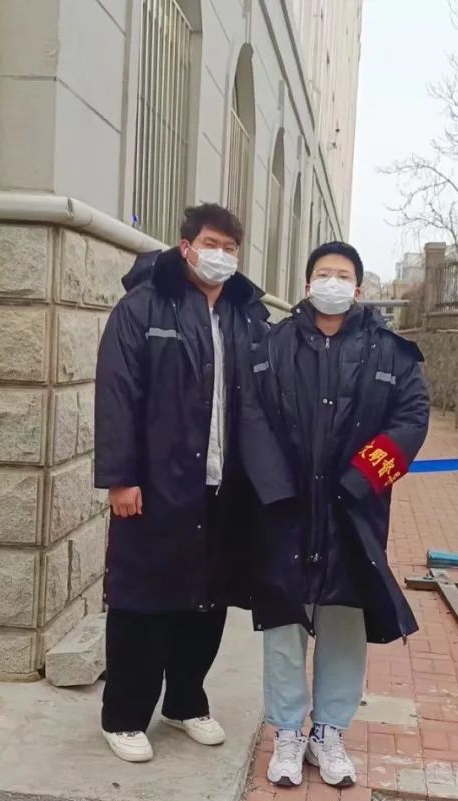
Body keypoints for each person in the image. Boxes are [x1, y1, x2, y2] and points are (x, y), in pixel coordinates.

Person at [94, 203, 285, 763]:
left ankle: (185, 701)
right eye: (210, 244)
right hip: (156, 483)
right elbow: (117, 394)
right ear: (186, 247)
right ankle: (125, 715)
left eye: (229, 247)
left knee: (207, 599)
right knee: (142, 599)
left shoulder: (247, 317)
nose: (220, 255)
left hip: (225, 486)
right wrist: (121, 477)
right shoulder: (143, 306)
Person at [248, 241, 430, 788]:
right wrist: (276, 486)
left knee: (345, 620)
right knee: (284, 621)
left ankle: (328, 731)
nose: (333, 282)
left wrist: (360, 479)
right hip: (287, 510)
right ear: (307, 285)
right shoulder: (272, 345)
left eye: (343, 275)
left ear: (358, 288)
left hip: (355, 511)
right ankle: (286, 731)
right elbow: (250, 415)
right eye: (323, 273)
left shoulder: (391, 352)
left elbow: (412, 418)